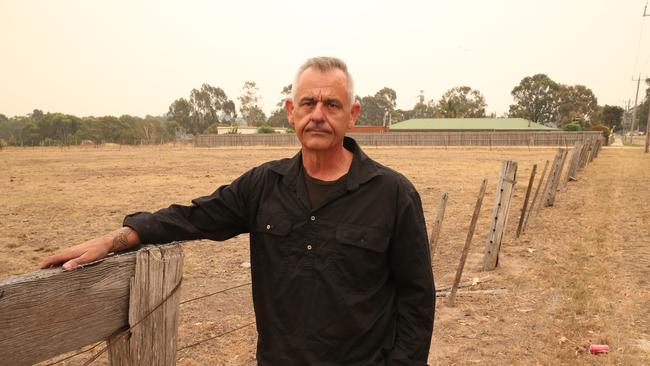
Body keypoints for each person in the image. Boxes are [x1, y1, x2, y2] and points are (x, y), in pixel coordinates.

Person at [41, 57, 435, 365]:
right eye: (308, 103)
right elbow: (193, 217)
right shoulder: (263, 186)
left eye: (332, 104)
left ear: (352, 114)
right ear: (290, 111)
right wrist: (117, 239)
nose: (318, 114)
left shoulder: (392, 194)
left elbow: (417, 297)